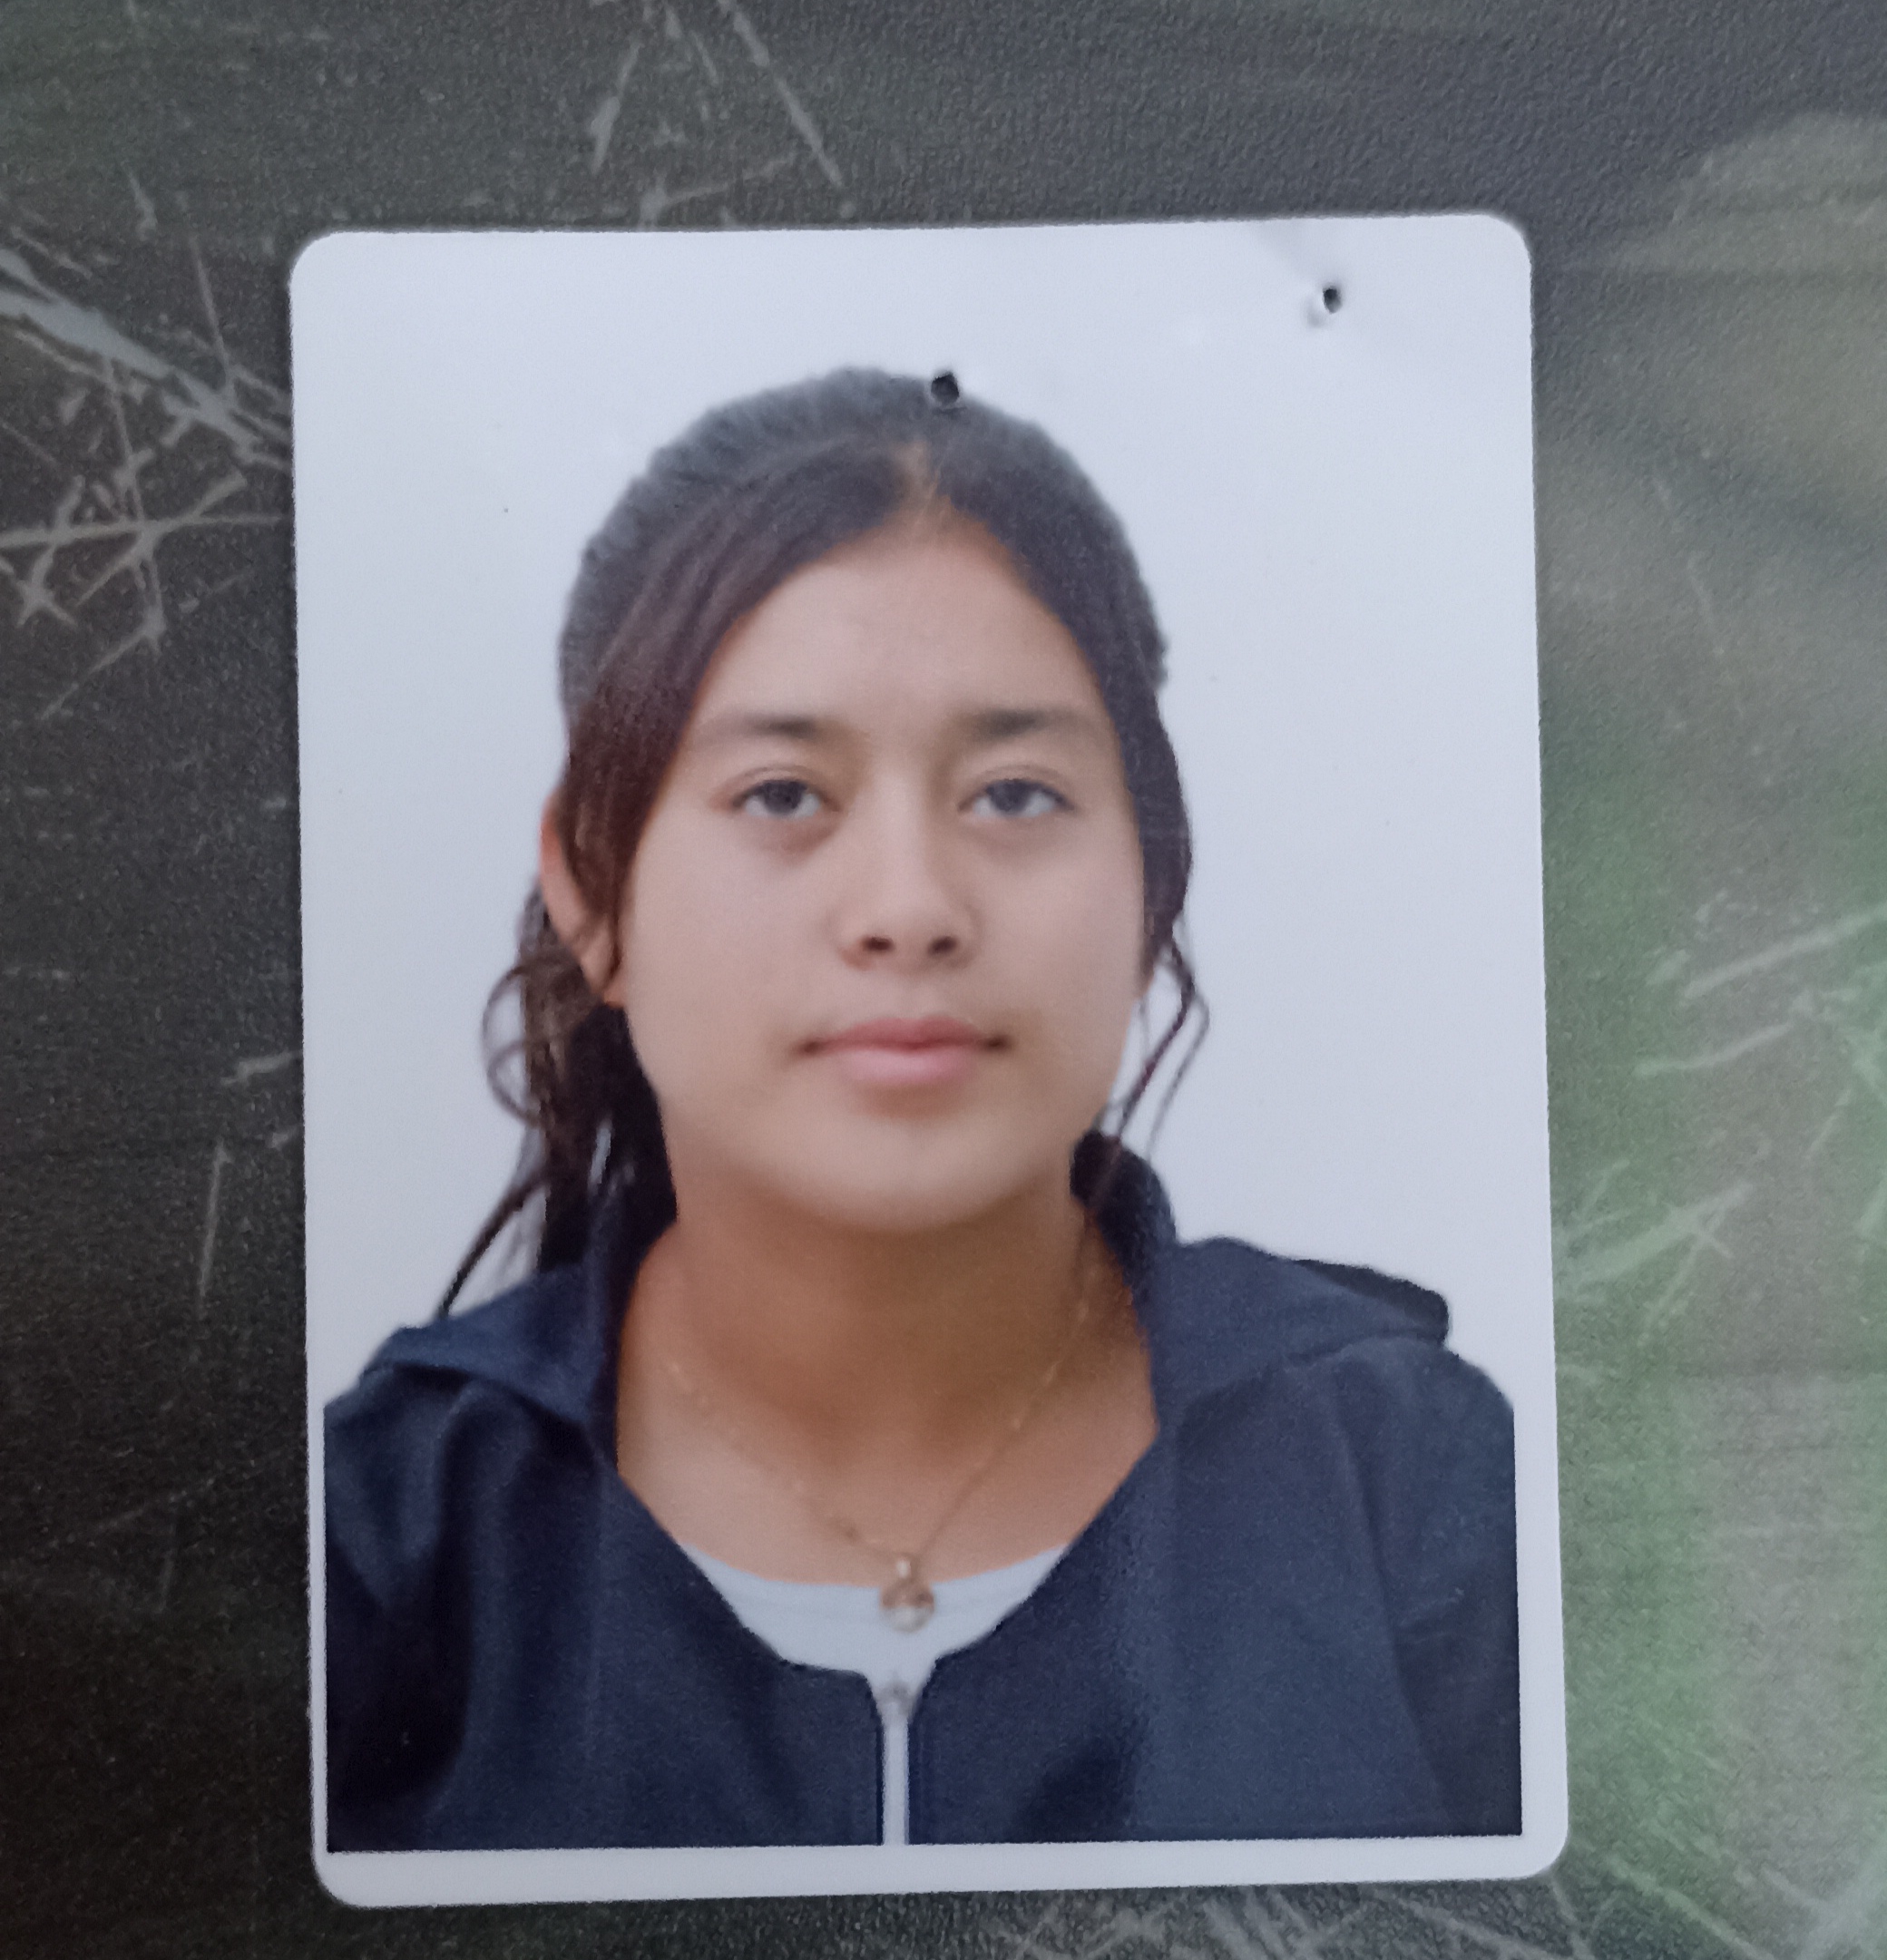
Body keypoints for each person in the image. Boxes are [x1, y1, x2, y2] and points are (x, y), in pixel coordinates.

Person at [323, 368, 1520, 1853]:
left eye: (1015, 793)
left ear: (1152, 877)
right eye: (782, 794)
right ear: (591, 882)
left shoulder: (1418, 1489)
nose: (909, 905)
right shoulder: (373, 1537)